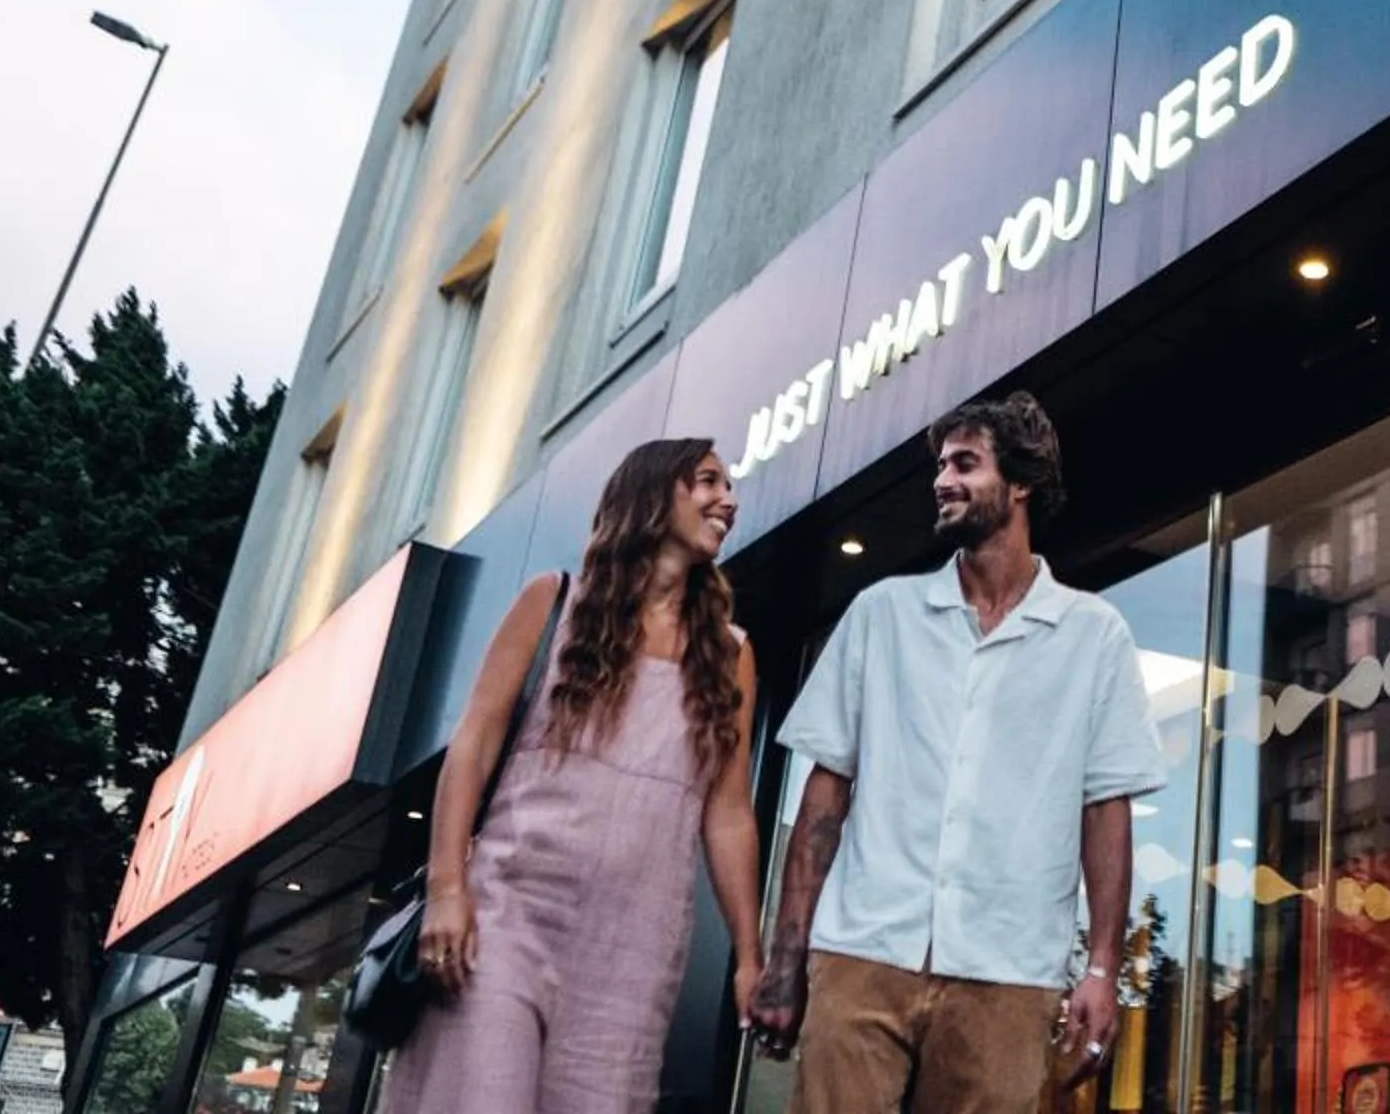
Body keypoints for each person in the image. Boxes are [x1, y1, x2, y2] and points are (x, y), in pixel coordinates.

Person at [750, 391, 1167, 1114]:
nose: (943, 481)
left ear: (1022, 483)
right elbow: (824, 797)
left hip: (1009, 973)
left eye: (965, 464)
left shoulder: (1094, 637)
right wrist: (786, 956)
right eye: (941, 466)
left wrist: (1103, 967)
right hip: (863, 955)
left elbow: (1107, 810)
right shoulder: (882, 615)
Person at [379, 435, 764, 1114]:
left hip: (635, 954)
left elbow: (729, 812)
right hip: (505, 923)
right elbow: (472, 746)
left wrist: (749, 955)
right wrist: (446, 889)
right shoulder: (554, 603)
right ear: (650, 496)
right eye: (707, 480)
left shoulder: (731, 656)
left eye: (728, 486)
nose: (727, 499)